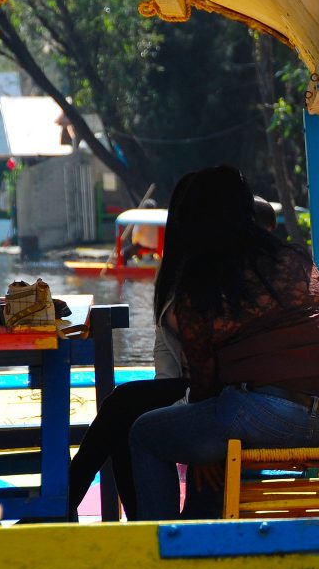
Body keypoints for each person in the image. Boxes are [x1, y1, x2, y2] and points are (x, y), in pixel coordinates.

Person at [128, 166, 319, 521]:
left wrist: (204, 451)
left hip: (264, 417)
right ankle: (201, 516)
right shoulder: (294, 259)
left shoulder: (203, 279)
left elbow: (203, 379)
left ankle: (161, 547)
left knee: (144, 433)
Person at [67, 184, 280, 520]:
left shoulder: (256, 277)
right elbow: (176, 358)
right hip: (206, 388)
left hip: (236, 394)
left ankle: (71, 504)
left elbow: (223, 362)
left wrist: (200, 421)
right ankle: (110, 511)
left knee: (122, 406)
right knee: (125, 411)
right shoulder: (208, 274)